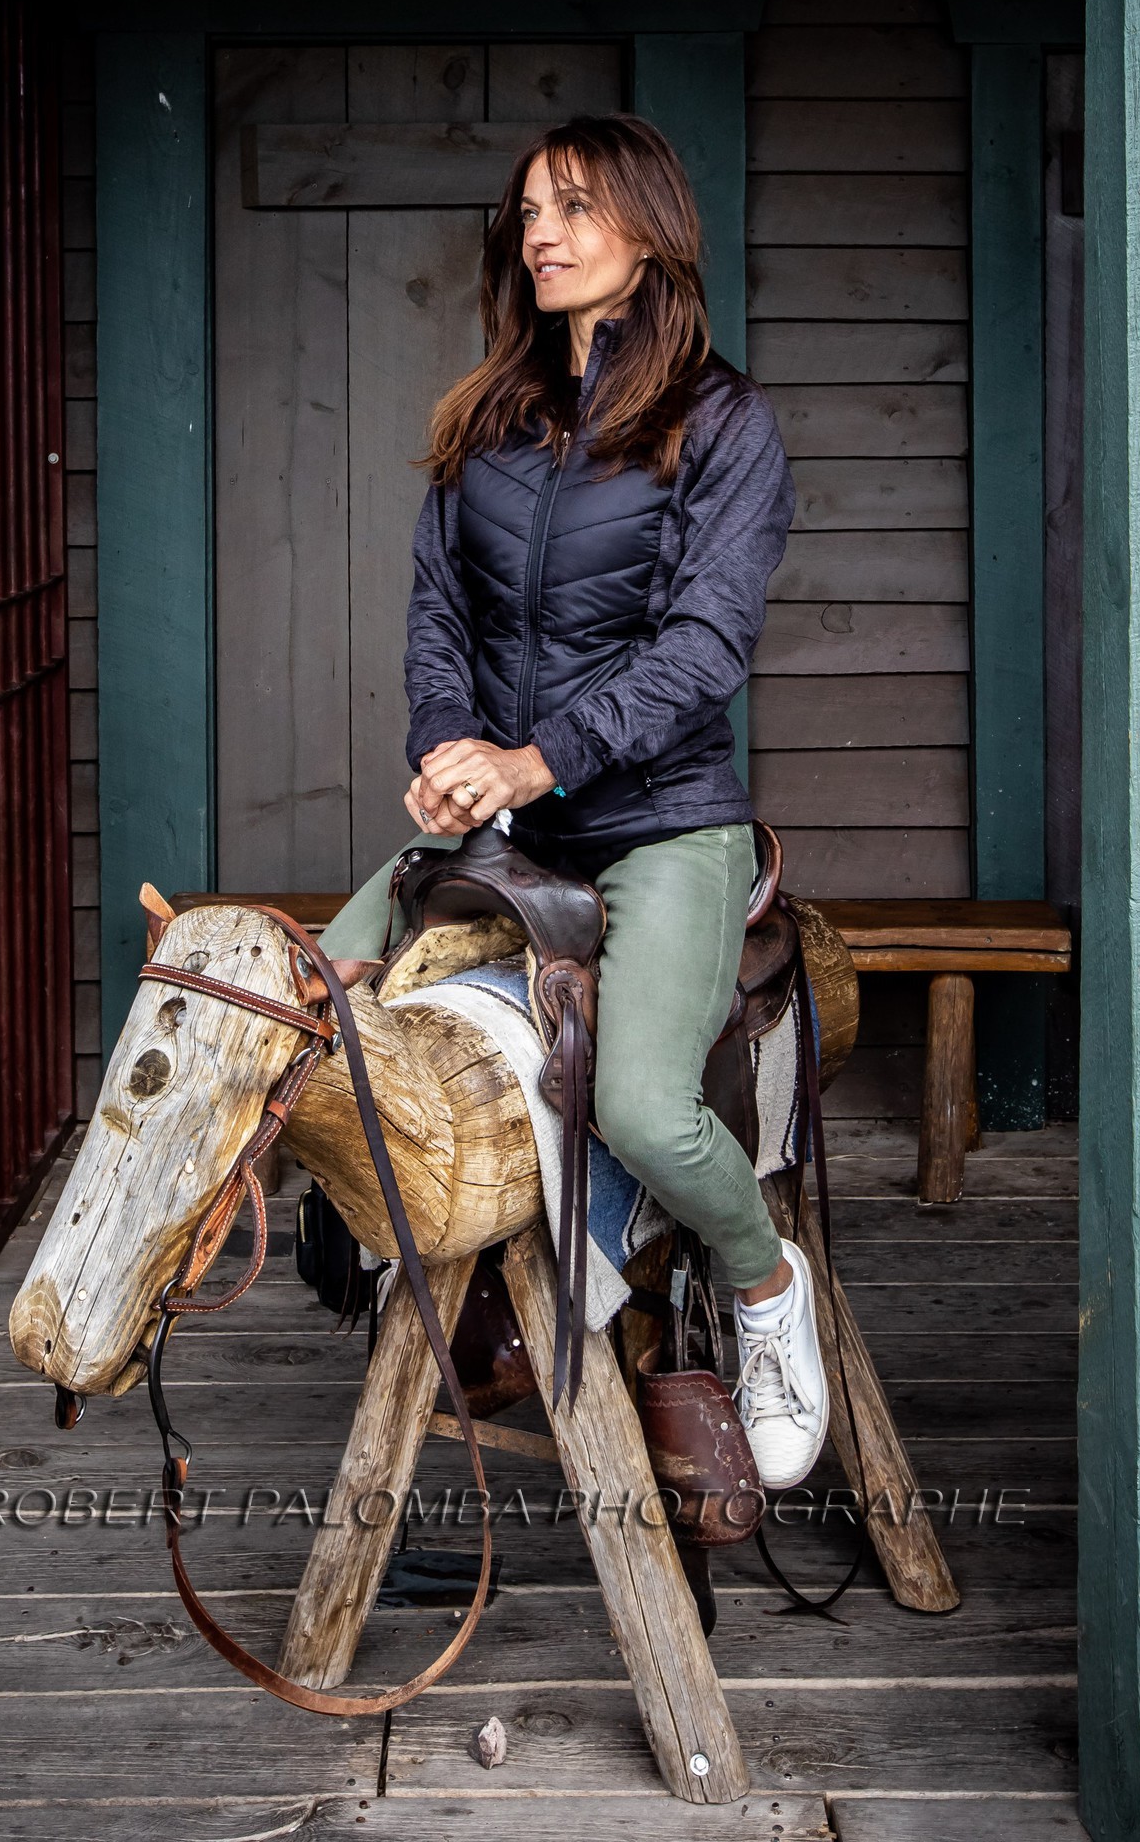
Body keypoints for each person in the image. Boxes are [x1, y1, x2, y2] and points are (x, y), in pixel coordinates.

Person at [318, 114, 828, 1488]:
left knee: (651, 1110)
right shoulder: (486, 418)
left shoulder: (724, 424)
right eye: (529, 209)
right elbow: (440, 613)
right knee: (316, 997)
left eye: (573, 207)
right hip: (508, 815)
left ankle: (767, 1290)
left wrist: (536, 759)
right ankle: (407, 1264)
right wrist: (447, 744)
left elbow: (703, 649)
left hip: (666, 818)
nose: (537, 232)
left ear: (649, 230)